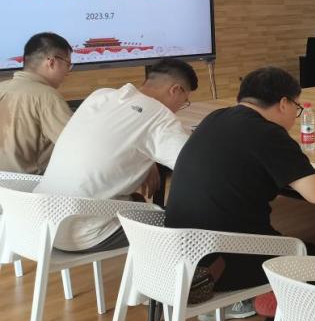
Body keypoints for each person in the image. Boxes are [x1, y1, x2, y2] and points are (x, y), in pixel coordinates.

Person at [165, 66, 315, 321]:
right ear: (284, 103)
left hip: (176, 254)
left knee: (301, 252)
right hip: (216, 265)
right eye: (296, 108)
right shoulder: (267, 133)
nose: (294, 117)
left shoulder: (216, 118)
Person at [35, 58, 197, 252]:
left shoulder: (100, 95)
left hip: (40, 223)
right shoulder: (160, 116)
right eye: (185, 101)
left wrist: (150, 161)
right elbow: (196, 165)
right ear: (176, 90)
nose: (180, 107)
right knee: (188, 228)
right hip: (82, 233)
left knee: (136, 201)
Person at [0, 32, 73, 174]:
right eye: (68, 64)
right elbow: (75, 145)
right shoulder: (47, 96)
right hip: (29, 185)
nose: (68, 72)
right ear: (51, 62)